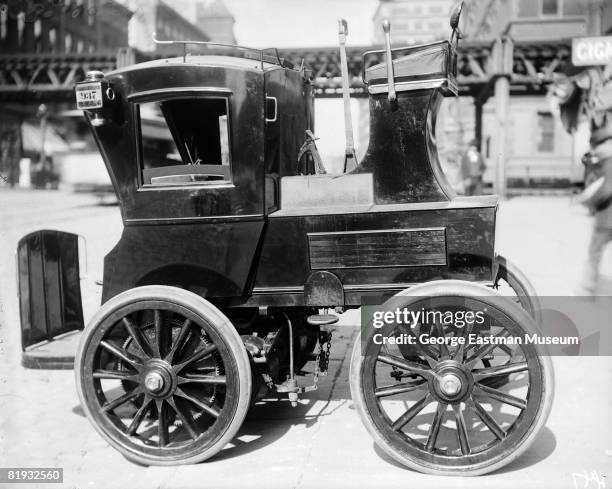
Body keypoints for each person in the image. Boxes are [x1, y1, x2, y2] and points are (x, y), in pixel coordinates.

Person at [580, 139, 612, 295]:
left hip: (607, 217)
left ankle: (588, 286)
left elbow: (607, 189)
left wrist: (590, 200)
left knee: (595, 251)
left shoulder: (608, 160)